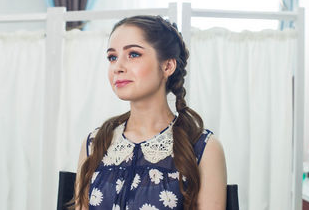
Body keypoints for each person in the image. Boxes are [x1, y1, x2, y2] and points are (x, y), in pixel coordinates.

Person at [73, 15, 227, 210]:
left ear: (168, 66)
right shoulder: (95, 143)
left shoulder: (203, 147)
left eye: (133, 54)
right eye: (112, 57)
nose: (117, 67)